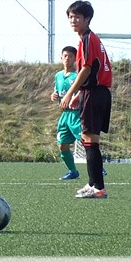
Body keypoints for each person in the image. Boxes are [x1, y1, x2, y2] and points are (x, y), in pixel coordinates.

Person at [59, 0, 113, 199]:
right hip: (97, 92)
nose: (73, 20)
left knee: (90, 140)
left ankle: (98, 187)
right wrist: (79, 95)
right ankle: (93, 183)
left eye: (77, 17)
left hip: (95, 93)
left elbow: (87, 69)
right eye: (70, 17)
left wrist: (70, 93)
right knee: (89, 139)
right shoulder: (88, 39)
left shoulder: (88, 39)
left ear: (87, 19)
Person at [51, 46, 82, 180]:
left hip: (76, 114)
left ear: (75, 59)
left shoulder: (77, 75)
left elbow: (83, 92)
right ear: (61, 58)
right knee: (62, 144)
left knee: (86, 141)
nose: (67, 59)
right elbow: (57, 91)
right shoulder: (58, 76)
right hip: (64, 115)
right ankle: (73, 171)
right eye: (65, 56)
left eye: (70, 56)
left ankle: (98, 166)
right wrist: (54, 95)